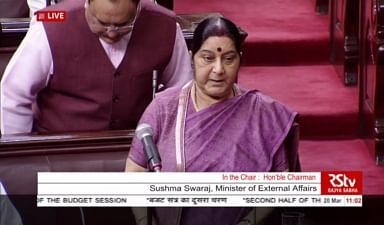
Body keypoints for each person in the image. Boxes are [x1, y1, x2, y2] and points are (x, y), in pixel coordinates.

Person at [125, 16, 298, 225]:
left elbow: (281, 183)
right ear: (192, 58)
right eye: (208, 58)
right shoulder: (165, 107)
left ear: (239, 60)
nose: (218, 69)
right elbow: (134, 173)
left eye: (228, 59)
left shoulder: (264, 114)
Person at [0, 0, 192, 134]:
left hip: (136, 148)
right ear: (87, 4)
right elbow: (15, 93)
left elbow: (182, 92)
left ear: (139, 8)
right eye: (101, 23)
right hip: (59, 151)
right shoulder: (51, 23)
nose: (111, 33)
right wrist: (24, 153)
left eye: (123, 25)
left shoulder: (165, 25)